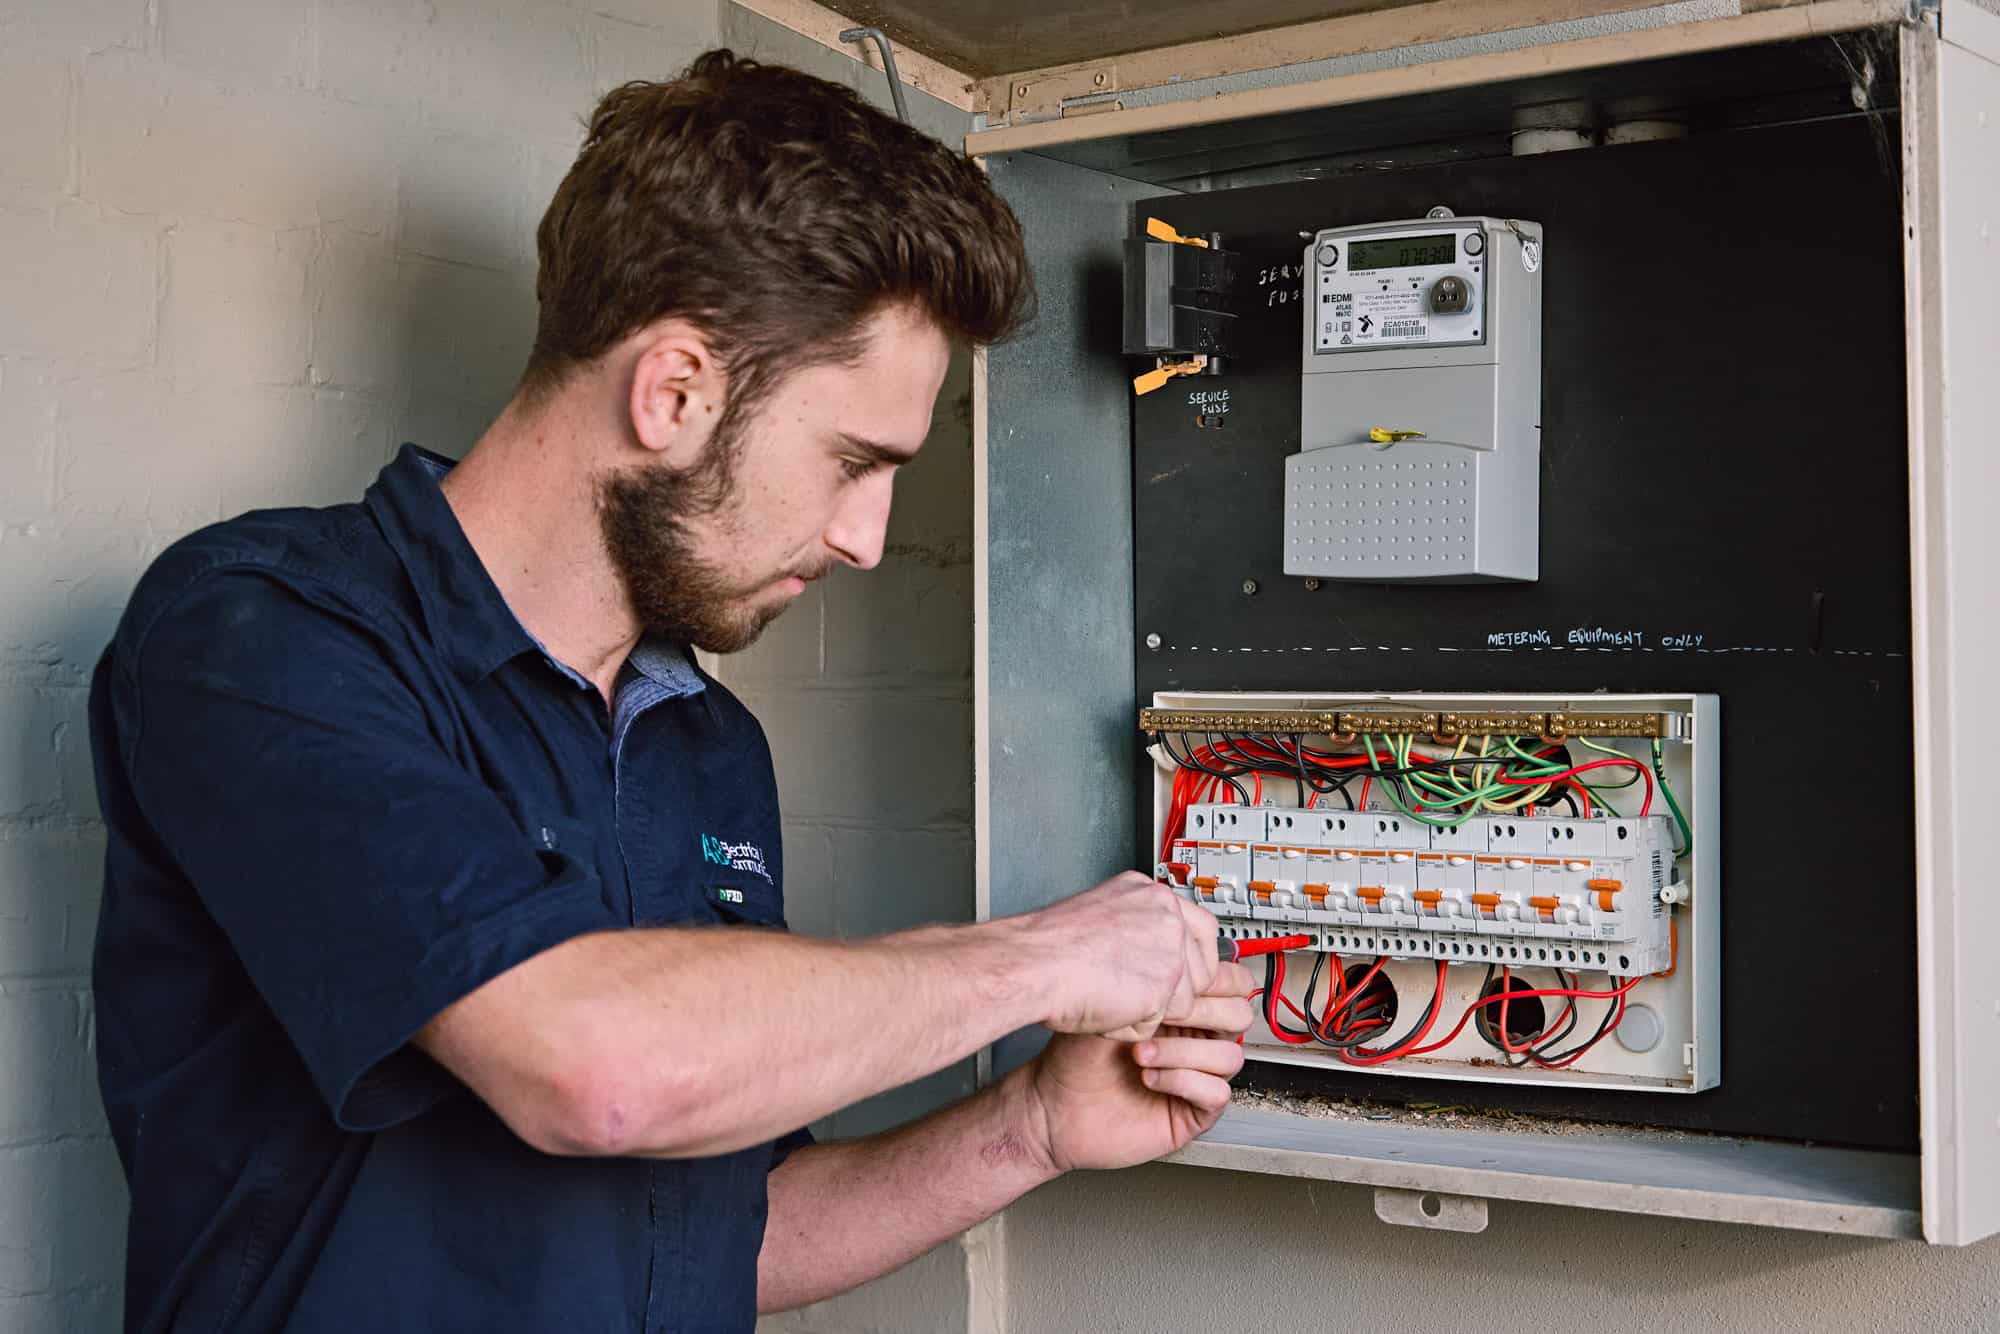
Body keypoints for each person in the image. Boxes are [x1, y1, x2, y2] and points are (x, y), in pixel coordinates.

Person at [87, 48, 1255, 1334]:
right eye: (853, 462)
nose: (868, 536)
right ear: (675, 390)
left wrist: (1029, 1122)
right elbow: (599, 1072)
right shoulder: (264, 635)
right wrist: (1036, 957)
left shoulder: (701, 739)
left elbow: (726, 1234)